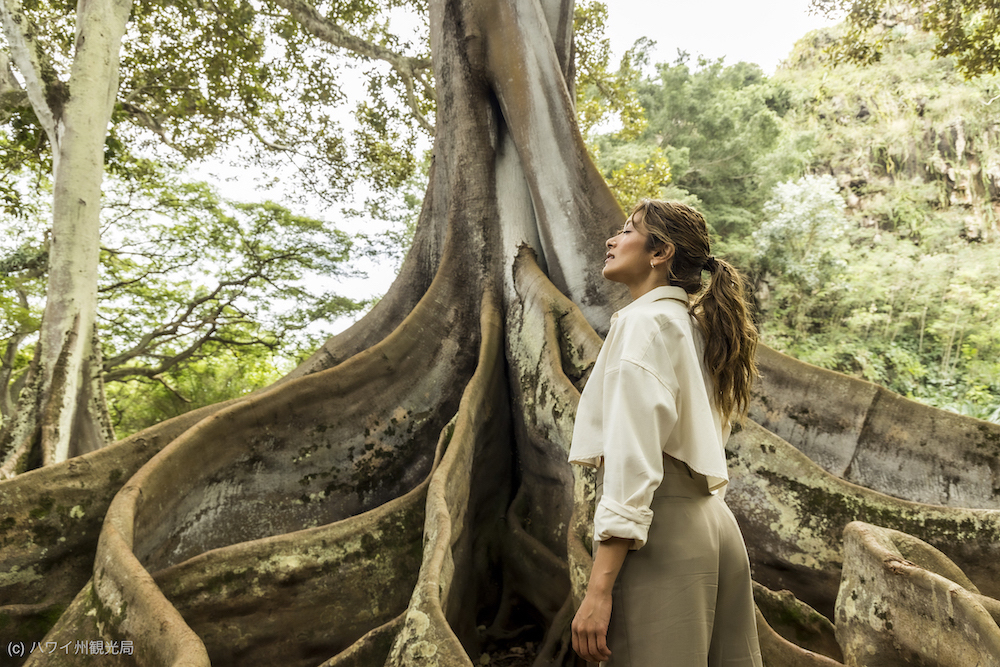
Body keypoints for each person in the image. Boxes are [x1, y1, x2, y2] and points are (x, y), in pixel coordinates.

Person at [569, 200, 763, 666]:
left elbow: (633, 460)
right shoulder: (695, 326)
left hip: (662, 535)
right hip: (714, 527)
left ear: (661, 253)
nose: (612, 240)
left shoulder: (643, 324)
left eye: (628, 230)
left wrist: (598, 589)